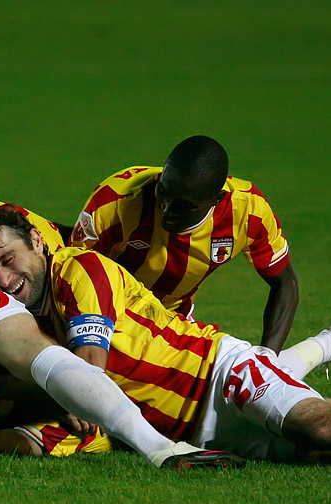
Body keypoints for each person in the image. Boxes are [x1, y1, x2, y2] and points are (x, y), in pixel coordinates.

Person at [0, 205, 331, 464]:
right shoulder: (22, 319)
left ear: (36, 242)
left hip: (219, 374)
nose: (4, 280)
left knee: (322, 425)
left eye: (8, 260)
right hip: (197, 432)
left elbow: (88, 373)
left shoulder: (79, 271)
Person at [0, 200, 244, 468]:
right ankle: (160, 450)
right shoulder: (45, 250)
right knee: (38, 357)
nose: (5, 277)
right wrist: (64, 396)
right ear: (37, 240)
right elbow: (79, 360)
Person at [69, 137, 304, 357]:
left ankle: (324, 344)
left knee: (233, 379)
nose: (167, 210)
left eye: (184, 206)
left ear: (216, 200)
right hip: (104, 317)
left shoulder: (248, 212)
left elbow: (285, 283)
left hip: (171, 323)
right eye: (163, 193)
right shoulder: (116, 201)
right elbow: (71, 274)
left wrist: (267, 358)